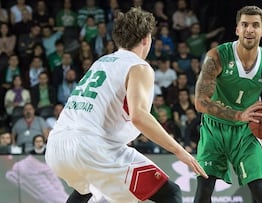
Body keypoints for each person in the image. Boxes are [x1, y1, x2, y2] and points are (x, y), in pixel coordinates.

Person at [45, 7, 207, 203]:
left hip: (56, 147)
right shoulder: (138, 66)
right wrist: (179, 150)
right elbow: (139, 116)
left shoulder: (101, 62)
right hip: (91, 147)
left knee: (87, 191)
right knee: (170, 193)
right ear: (147, 39)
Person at [193, 6, 262, 203]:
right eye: (244, 24)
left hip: (247, 129)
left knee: (259, 188)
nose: (249, 29)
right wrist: (238, 115)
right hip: (214, 127)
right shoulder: (217, 56)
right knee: (204, 189)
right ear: (237, 29)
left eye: (255, 25)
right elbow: (201, 102)